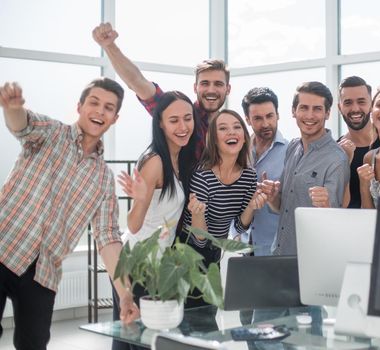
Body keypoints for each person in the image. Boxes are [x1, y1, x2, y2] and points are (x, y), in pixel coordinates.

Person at [0, 78, 139, 350]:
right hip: (4, 247)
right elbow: (22, 124)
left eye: (108, 107)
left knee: (34, 344)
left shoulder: (103, 179)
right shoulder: (50, 132)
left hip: (43, 273)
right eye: (94, 103)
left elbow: (108, 238)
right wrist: (12, 107)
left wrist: (125, 295)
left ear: (115, 118)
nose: (100, 111)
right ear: (80, 106)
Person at [111, 91, 198, 350]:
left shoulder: (177, 158)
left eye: (188, 118)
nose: (183, 127)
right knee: (137, 337)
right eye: (174, 121)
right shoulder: (156, 161)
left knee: (131, 337)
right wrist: (139, 199)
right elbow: (134, 224)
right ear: (160, 122)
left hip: (156, 262)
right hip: (138, 262)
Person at [92, 22, 230, 159]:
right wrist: (110, 46)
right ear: (195, 87)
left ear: (227, 89)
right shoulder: (179, 112)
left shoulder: (232, 126)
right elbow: (136, 82)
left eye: (218, 84)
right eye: (205, 83)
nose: (211, 89)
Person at [182, 109, 267, 307]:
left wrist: (253, 205)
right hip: (188, 253)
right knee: (192, 321)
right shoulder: (202, 176)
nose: (231, 132)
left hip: (214, 253)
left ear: (245, 138)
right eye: (223, 128)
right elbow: (199, 238)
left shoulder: (248, 176)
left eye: (237, 127)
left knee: (207, 318)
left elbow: (239, 226)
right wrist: (197, 213)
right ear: (214, 139)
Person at [260, 81, 350, 256]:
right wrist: (272, 197)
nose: (310, 115)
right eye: (304, 108)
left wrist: (326, 206)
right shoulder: (293, 147)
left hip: (310, 260)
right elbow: (283, 207)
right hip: (279, 253)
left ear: (327, 113)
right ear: (294, 111)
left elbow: (335, 221)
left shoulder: (337, 159)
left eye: (317, 109)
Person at [240, 87, 288, 256]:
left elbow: (292, 206)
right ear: (247, 119)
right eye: (258, 118)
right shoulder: (238, 153)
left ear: (278, 115)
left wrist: (273, 198)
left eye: (270, 116)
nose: (266, 123)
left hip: (274, 251)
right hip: (241, 247)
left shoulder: (291, 153)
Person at [336, 76, 380, 208]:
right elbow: (336, 205)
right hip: (347, 226)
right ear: (340, 108)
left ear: (371, 105)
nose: (355, 109)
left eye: (361, 101)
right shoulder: (335, 152)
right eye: (348, 103)